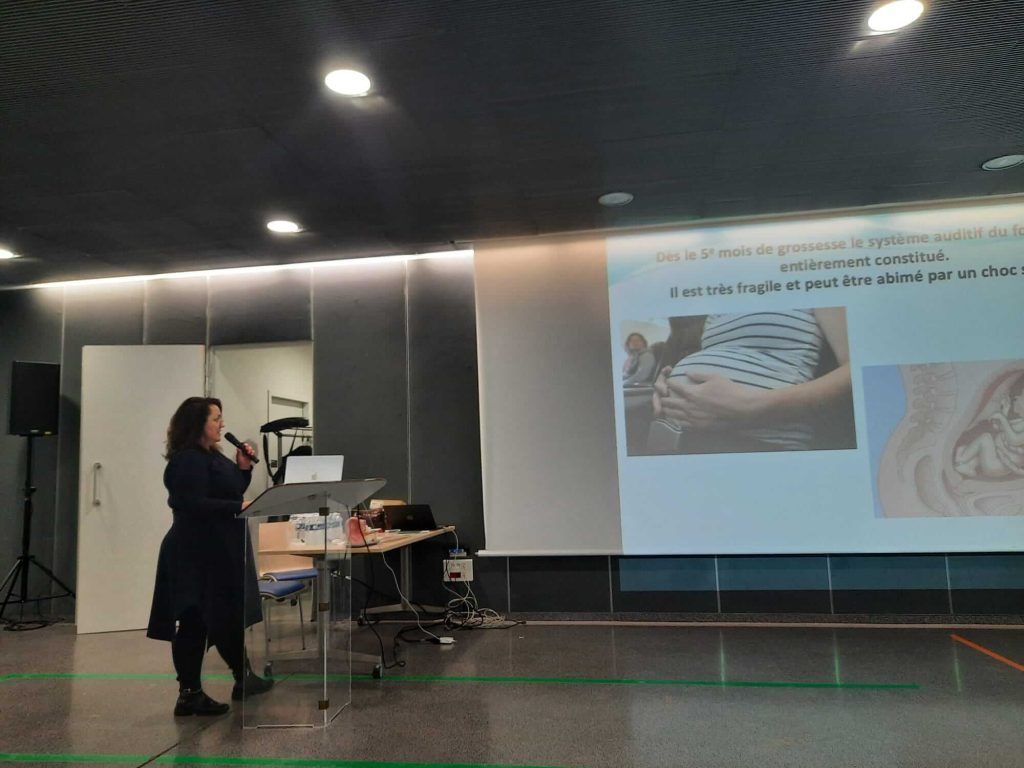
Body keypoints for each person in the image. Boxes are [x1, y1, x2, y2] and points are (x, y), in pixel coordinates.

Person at [147, 397, 272, 716]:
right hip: (195, 552)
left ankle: (242, 678)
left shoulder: (210, 456)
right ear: (197, 423)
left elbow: (228, 492)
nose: (222, 424)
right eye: (216, 418)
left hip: (218, 550)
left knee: (224, 616)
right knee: (195, 619)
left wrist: (243, 470)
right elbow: (189, 502)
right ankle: (189, 693)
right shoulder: (187, 460)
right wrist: (236, 507)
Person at [650, 308, 851, 452]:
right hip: (679, 437)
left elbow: (857, 369)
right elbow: (725, 353)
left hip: (760, 443)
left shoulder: (808, 272)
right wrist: (668, 381)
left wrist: (752, 406)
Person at [954, 375, 1024, 479]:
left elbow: (1014, 440)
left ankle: (961, 460)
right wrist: (1005, 410)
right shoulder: (1020, 421)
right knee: (976, 449)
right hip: (996, 458)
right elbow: (1000, 428)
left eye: (1022, 396)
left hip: (998, 465)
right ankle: (969, 466)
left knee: (986, 438)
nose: (1016, 398)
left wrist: (1002, 418)